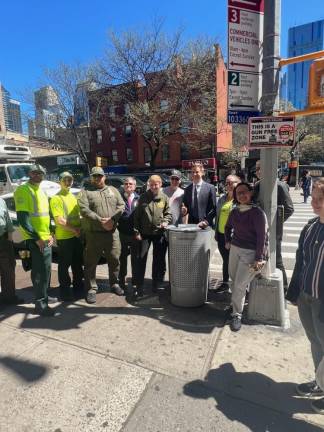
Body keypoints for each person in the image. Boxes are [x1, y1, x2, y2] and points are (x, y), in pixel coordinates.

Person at [286, 178, 324, 414]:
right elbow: (301, 262)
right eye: (314, 199)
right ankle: (320, 383)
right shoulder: (310, 226)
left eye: (321, 200)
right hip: (307, 296)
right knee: (315, 343)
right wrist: (295, 293)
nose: (315, 204)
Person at [78, 167, 125, 304]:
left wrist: (112, 219)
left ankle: (114, 283)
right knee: (91, 263)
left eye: (100, 176)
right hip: (94, 234)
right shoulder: (86, 192)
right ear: (91, 178)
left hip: (112, 233)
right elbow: (83, 209)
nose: (97, 178)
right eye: (95, 176)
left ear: (104, 177)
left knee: (115, 260)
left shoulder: (113, 190)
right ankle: (91, 289)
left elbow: (121, 206)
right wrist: (100, 220)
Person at [225, 182, 268, 332]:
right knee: (233, 279)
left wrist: (259, 257)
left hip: (250, 253)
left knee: (240, 284)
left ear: (251, 193)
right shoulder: (235, 211)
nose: (242, 195)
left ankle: (237, 314)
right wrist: (228, 241)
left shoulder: (257, 213)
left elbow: (262, 238)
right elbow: (227, 227)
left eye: (245, 192)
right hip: (235, 249)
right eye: (239, 193)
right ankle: (237, 301)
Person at [14, 164, 56, 316]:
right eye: (35, 173)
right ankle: (40, 304)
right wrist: (37, 238)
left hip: (46, 238)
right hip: (36, 240)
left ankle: (44, 296)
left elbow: (46, 216)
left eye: (41, 173)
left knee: (46, 271)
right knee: (40, 272)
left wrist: (51, 234)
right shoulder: (23, 190)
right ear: (30, 174)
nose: (38, 175)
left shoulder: (42, 191)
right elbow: (23, 219)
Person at [254, 159, 294, 292]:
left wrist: (274, 222)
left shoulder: (280, 185)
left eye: (261, 168)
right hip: (257, 230)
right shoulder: (257, 185)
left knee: (276, 259)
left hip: (274, 230)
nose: (258, 171)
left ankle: (283, 290)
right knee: (260, 258)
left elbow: (289, 209)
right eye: (257, 168)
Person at [133, 175, 172, 294]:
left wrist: (166, 221)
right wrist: (137, 232)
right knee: (141, 259)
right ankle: (139, 285)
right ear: (149, 184)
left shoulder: (164, 197)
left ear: (160, 184)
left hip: (159, 233)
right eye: (152, 184)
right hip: (144, 234)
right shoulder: (143, 198)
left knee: (158, 260)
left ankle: (156, 283)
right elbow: (136, 217)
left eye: (156, 184)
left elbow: (168, 214)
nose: (154, 186)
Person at [50, 172, 83, 301]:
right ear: (60, 182)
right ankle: (64, 291)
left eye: (70, 180)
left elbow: (78, 216)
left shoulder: (72, 196)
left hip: (76, 236)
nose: (68, 182)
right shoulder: (56, 198)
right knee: (64, 265)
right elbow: (59, 221)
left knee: (77, 263)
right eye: (65, 180)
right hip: (65, 237)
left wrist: (80, 229)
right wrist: (74, 229)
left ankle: (78, 287)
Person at [214, 175, 241, 292]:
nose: (229, 185)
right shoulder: (222, 199)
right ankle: (225, 283)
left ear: (238, 183)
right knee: (226, 260)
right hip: (221, 235)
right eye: (227, 183)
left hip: (234, 237)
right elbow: (218, 216)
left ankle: (238, 286)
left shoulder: (240, 200)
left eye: (232, 183)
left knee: (235, 262)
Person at [117, 177, 140, 293]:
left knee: (135, 260)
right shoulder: (119, 198)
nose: (128, 185)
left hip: (135, 235)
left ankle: (135, 283)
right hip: (122, 234)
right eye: (126, 184)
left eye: (130, 184)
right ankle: (121, 282)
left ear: (134, 186)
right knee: (122, 260)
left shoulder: (139, 199)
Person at [0, 197, 23, 305]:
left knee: (9, 269)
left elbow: (7, 219)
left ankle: (9, 298)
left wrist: (10, 238)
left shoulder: (1, 201)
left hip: (4, 240)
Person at [182, 162, 217, 228]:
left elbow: (213, 208)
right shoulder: (187, 189)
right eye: (192, 172)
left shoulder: (210, 188)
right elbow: (186, 206)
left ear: (202, 173)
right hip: (191, 225)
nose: (194, 174)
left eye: (197, 172)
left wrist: (206, 221)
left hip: (205, 224)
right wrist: (184, 210)